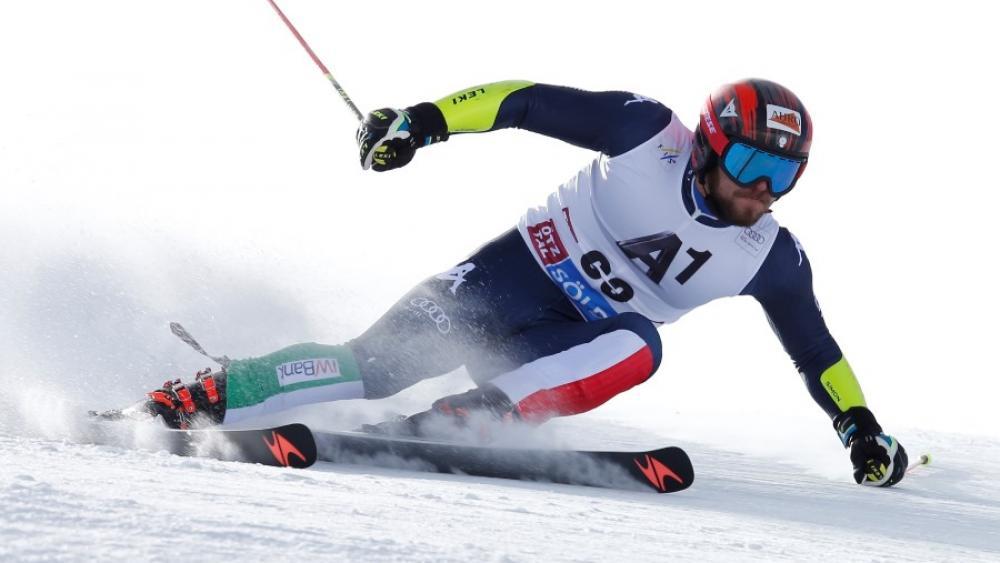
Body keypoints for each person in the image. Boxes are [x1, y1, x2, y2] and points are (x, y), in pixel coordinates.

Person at [133, 79, 908, 487]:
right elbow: (525, 101)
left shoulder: (770, 253)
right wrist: (423, 122)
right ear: (709, 145)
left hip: (559, 349)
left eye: (783, 176)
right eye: (751, 164)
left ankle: (465, 420)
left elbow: (816, 352)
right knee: (373, 366)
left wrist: (860, 426)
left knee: (641, 345)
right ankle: (215, 392)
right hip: (506, 282)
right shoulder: (648, 133)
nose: (762, 190)